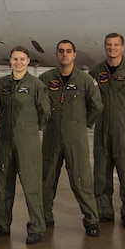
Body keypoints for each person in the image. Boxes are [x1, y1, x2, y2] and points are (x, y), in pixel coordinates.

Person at [39, 40, 102, 237]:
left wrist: (82, 124)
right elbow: (39, 103)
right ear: (56, 54)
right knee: (47, 178)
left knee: (81, 179)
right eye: (61, 51)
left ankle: (91, 220)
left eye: (68, 51)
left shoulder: (85, 80)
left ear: (74, 55)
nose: (64, 54)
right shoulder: (46, 78)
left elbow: (97, 106)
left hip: (76, 136)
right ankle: (44, 216)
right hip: (52, 135)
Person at [0, 46, 53, 244]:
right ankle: (1, 224)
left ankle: (36, 226)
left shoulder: (36, 84)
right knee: (2, 182)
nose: (18, 62)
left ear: (28, 61)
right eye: (15, 59)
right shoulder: (2, 83)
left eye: (22, 59)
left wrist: (31, 130)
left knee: (31, 184)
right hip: (5, 139)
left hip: (28, 141)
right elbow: (0, 106)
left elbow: (45, 111)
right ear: (10, 61)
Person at [90, 33, 125, 228]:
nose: (112, 48)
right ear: (105, 47)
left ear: (122, 47)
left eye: (116, 45)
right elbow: (90, 101)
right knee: (101, 174)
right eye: (108, 45)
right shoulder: (96, 72)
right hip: (103, 129)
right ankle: (104, 211)